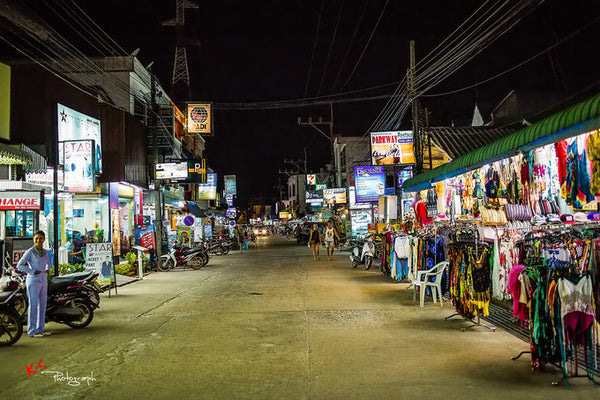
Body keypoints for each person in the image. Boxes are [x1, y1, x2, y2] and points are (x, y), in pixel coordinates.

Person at [17, 230, 52, 338]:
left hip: (43, 279)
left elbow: (49, 263)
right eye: (36, 238)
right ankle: (32, 331)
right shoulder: (30, 252)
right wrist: (32, 271)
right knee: (33, 305)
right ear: (33, 239)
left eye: (40, 238)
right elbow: (20, 265)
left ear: (44, 239)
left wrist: (47, 269)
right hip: (33, 280)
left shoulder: (46, 252)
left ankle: (40, 329)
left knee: (42, 304)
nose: (38, 241)